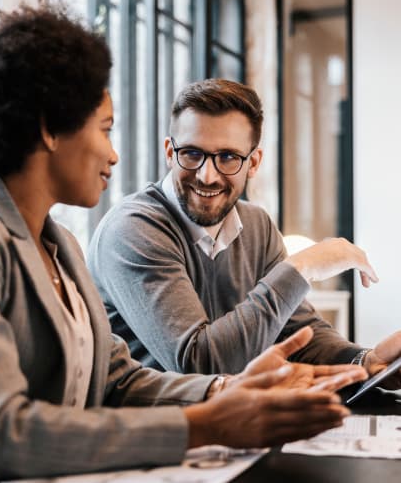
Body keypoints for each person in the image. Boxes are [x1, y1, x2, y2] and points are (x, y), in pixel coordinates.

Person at [0, 6, 368, 483]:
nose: (113, 153)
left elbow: (117, 379)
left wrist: (229, 388)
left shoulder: (63, 249)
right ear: (48, 128)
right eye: (105, 128)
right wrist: (204, 423)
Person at [88, 78, 401, 387]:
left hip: (229, 424)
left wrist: (366, 362)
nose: (207, 176)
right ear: (170, 152)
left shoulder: (256, 225)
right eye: (192, 154)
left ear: (254, 163)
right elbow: (201, 364)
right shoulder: (133, 229)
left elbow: (299, 335)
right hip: (156, 430)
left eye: (227, 157)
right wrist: (301, 267)